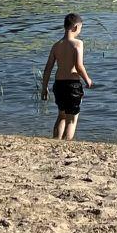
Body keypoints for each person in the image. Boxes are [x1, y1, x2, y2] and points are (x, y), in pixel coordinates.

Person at [40, 12, 93, 140]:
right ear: (76, 27)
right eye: (80, 28)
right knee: (71, 119)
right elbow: (79, 66)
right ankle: (67, 143)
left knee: (61, 115)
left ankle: (55, 141)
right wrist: (87, 80)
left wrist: (44, 87)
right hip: (72, 85)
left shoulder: (56, 45)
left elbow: (48, 68)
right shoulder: (78, 44)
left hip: (59, 85)